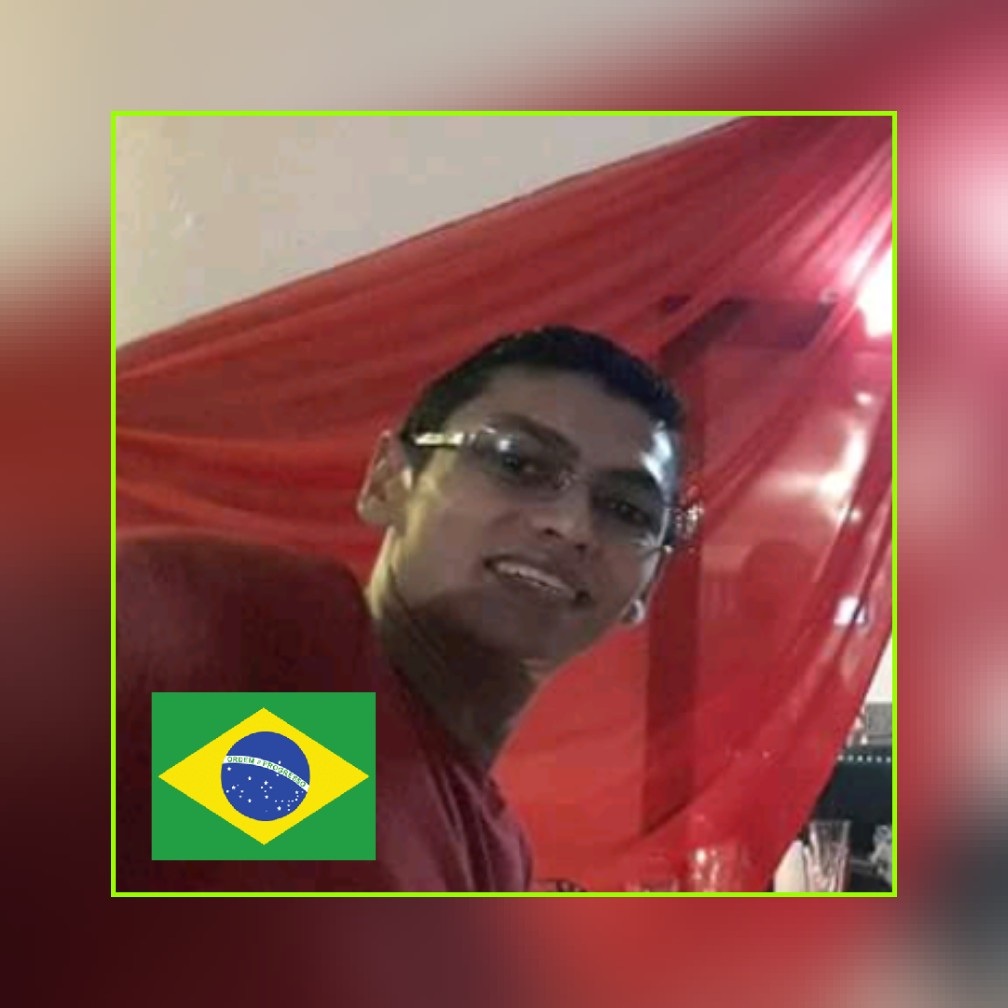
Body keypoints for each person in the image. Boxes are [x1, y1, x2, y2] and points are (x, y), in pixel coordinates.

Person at [117, 325, 685, 891]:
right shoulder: (268, 637)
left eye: (626, 511)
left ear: (649, 585)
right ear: (388, 480)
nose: (571, 525)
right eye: (518, 463)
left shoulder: (494, 853)